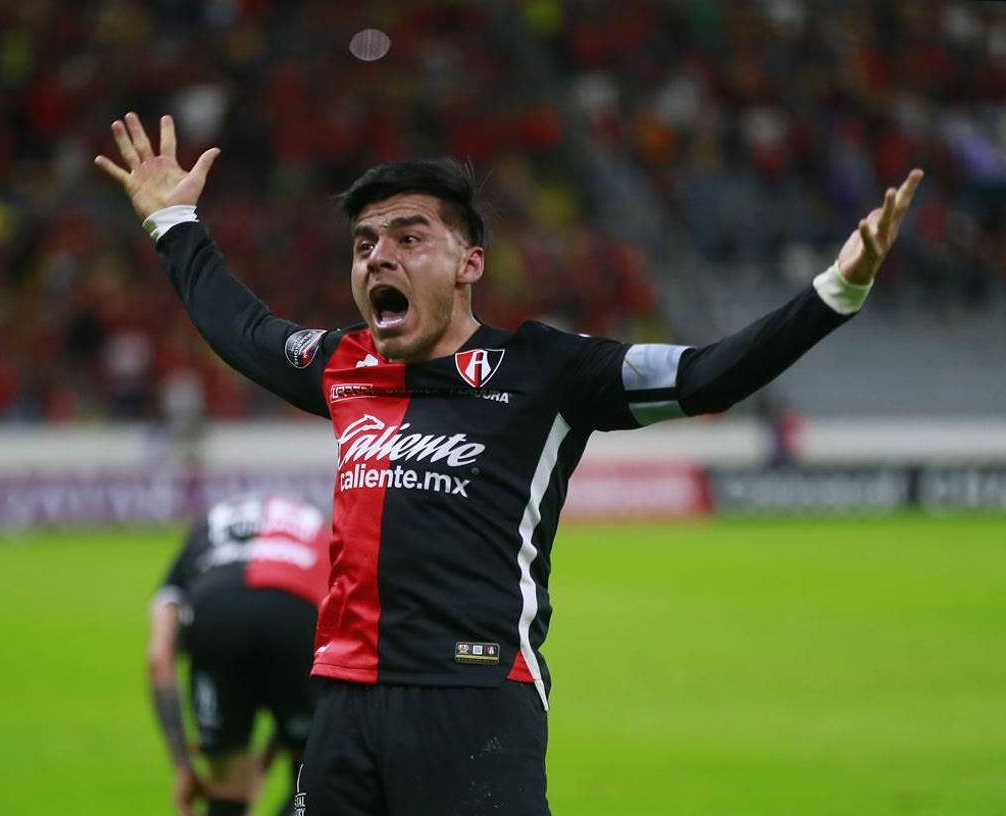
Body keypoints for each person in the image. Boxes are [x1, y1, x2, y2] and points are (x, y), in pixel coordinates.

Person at [102, 112, 922, 815]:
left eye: (408, 237)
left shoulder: (548, 372)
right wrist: (174, 225)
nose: (377, 257)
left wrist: (834, 293)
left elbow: (709, 373)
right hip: (343, 705)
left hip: (477, 702)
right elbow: (241, 329)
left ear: (469, 264)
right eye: (363, 243)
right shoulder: (343, 363)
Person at [147, 493, 331, 816]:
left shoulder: (203, 529)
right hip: (295, 610)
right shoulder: (316, 525)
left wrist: (183, 767)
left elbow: (159, 659)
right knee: (311, 777)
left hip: (215, 613)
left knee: (227, 785)